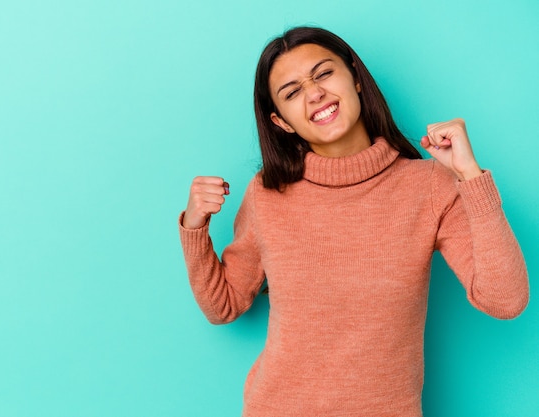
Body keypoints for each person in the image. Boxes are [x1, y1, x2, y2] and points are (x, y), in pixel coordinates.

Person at [178, 26, 529, 417]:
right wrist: (195, 228)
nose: (314, 93)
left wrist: (469, 176)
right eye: (292, 92)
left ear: (356, 79)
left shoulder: (429, 186)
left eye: (324, 73)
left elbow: (506, 300)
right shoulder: (267, 193)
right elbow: (222, 306)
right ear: (282, 122)